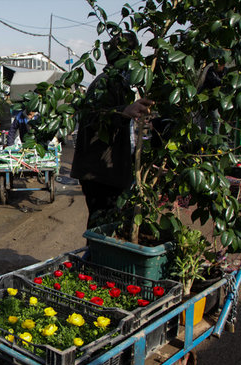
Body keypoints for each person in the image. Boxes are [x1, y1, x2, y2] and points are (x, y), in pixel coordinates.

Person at [70, 32, 154, 230]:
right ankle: (93, 260)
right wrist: (122, 111)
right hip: (100, 173)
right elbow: (91, 116)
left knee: (107, 226)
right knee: (102, 227)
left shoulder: (119, 84)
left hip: (106, 172)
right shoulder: (105, 84)